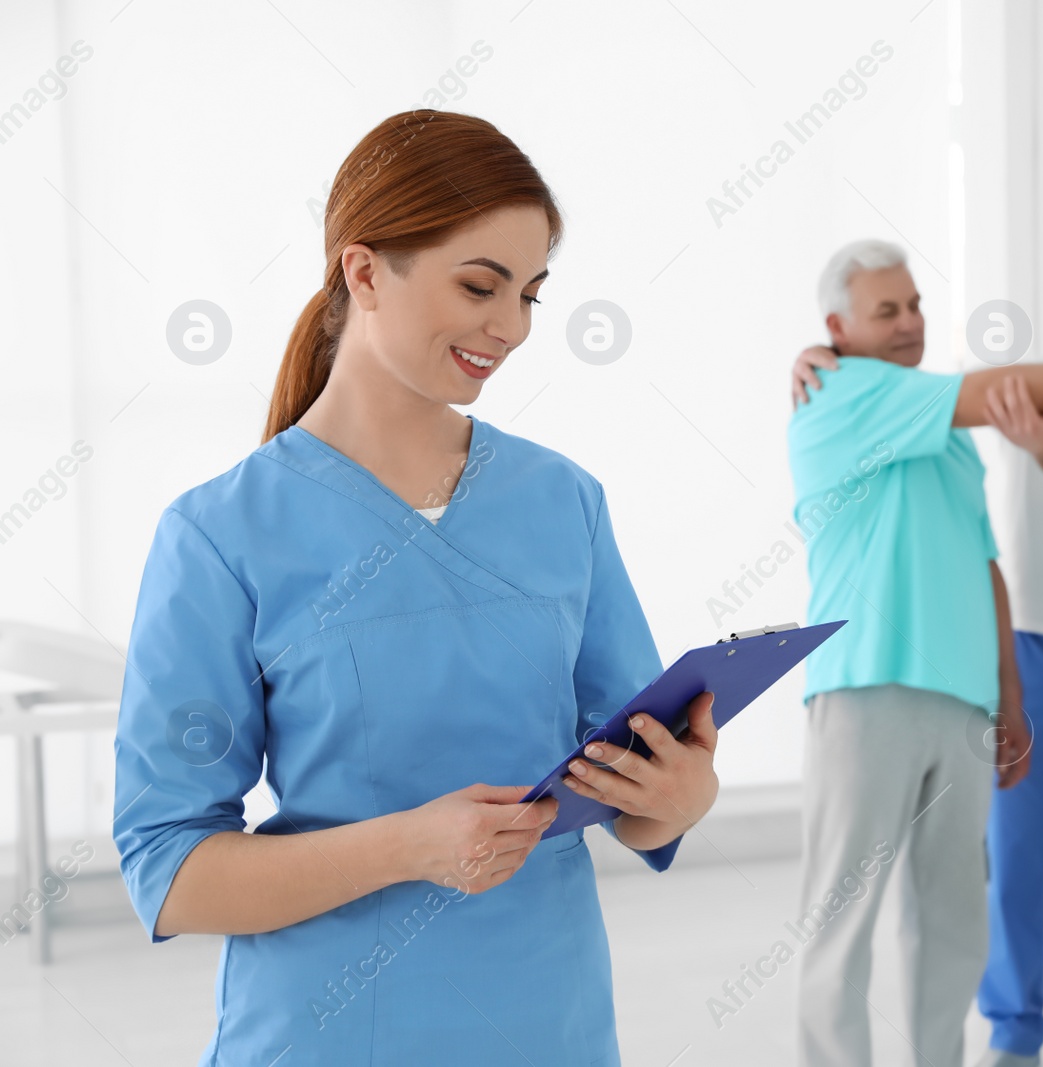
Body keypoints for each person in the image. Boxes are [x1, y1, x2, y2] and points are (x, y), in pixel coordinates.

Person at [111, 110, 719, 1066]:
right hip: (330, 1031)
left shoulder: (563, 500)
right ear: (363, 272)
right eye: (481, 286)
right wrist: (408, 848)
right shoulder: (221, 534)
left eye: (530, 295)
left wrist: (682, 795)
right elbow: (170, 868)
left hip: (547, 1021)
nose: (511, 327)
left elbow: (627, 781)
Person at [786, 238, 1043, 1067]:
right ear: (837, 327)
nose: (909, 323)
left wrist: (1009, 699)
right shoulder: (841, 390)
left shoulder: (948, 436)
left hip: (963, 700)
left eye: (915, 305)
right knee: (843, 919)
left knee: (952, 920)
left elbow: (985, 568)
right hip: (866, 688)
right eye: (886, 311)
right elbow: (1003, 391)